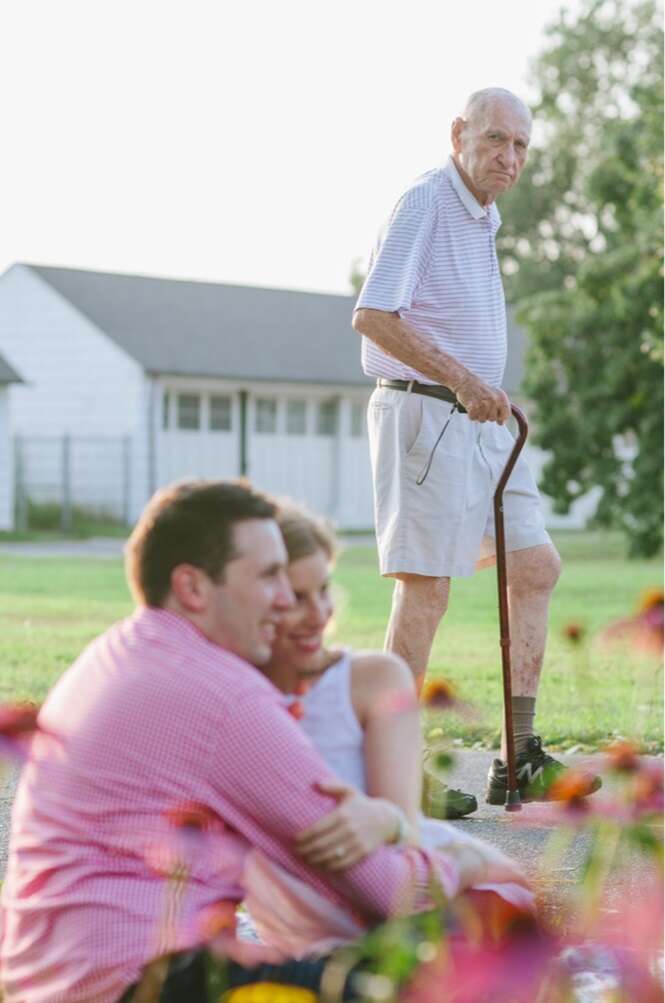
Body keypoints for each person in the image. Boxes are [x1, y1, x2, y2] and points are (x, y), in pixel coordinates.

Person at [0, 479, 526, 1003]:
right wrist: (478, 864)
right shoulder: (221, 696)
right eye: (271, 577)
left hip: (58, 979)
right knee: (469, 941)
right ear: (193, 588)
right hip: (138, 984)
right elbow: (386, 891)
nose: (283, 602)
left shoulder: (126, 651)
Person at [351, 86, 600, 807]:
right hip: (422, 417)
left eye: (520, 146)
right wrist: (464, 378)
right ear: (458, 133)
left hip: (480, 425)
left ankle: (516, 755)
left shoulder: (482, 218)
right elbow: (371, 314)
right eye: (495, 140)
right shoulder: (427, 201)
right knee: (426, 591)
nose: (508, 157)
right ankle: (392, 774)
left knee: (535, 565)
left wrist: (482, 387)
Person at [242, 502, 532, 956]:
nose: (319, 613)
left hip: (437, 905)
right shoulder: (228, 697)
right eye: (296, 598)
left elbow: (408, 834)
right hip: (316, 947)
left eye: (323, 590)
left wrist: (386, 819)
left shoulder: (371, 679)